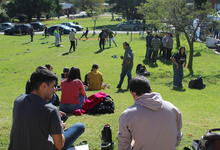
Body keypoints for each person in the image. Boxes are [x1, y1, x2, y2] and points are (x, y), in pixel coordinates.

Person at [9, 68, 85, 150]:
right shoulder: (51, 110)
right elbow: (59, 145)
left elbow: (33, 113)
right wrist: (60, 127)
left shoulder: (18, 100)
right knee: (79, 126)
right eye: (53, 86)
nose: (54, 90)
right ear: (43, 86)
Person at [118, 76, 182, 150]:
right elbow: (178, 136)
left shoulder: (127, 115)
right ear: (150, 90)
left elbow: (123, 143)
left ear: (133, 94)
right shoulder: (172, 108)